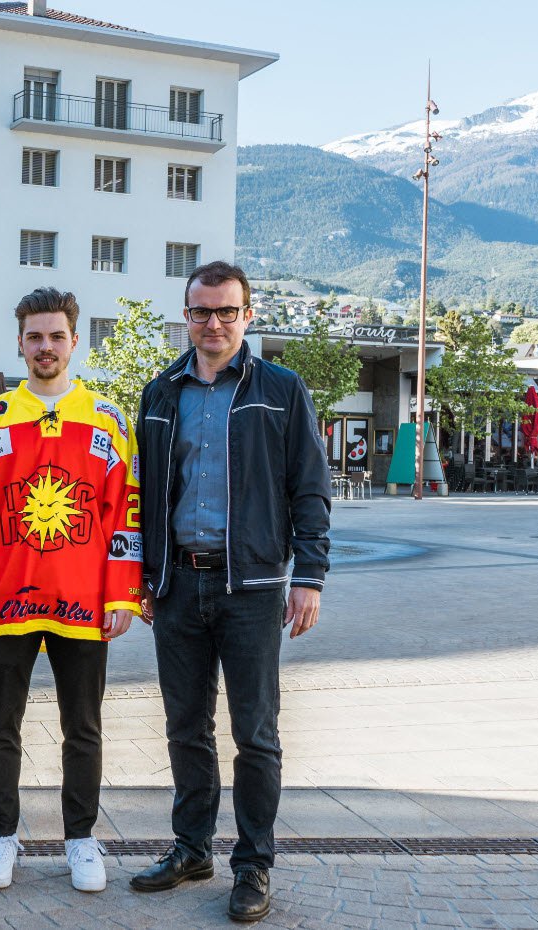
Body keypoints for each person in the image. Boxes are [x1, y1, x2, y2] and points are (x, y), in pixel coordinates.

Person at [131, 261, 331, 922]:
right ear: (184, 316)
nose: (212, 324)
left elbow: (309, 488)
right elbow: (145, 497)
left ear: (247, 315)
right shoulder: (159, 392)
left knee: (255, 733)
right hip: (177, 587)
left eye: (225, 311)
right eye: (199, 312)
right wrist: (144, 578)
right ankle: (190, 848)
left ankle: (252, 863)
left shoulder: (279, 388)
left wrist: (307, 576)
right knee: (185, 728)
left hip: (247, 587)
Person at [0, 287, 141, 893]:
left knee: (82, 727)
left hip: (84, 604)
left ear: (75, 341)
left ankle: (81, 839)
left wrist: (120, 595)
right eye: (35, 336)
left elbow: (124, 516)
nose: (45, 347)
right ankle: (0, 837)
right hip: (6, 602)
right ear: (20, 342)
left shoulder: (108, 421)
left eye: (56, 335)